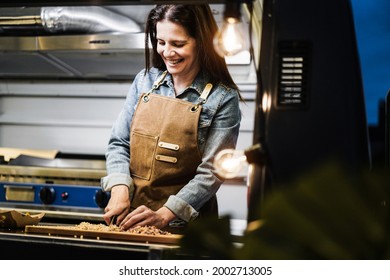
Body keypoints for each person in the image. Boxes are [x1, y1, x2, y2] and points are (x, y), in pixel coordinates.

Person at [100, 4, 242, 232]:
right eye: (161, 42)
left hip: (188, 229)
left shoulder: (223, 98)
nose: (166, 52)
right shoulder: (144, 81)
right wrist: (119, 189)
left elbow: (212, 172)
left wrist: (164, 215)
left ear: (201, 42)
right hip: (132, 221)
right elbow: (119, 143)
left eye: (178, 44)